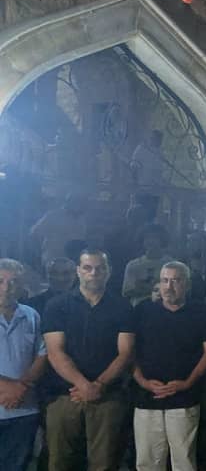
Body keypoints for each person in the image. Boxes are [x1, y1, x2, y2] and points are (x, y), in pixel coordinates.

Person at [42, 249, 135, 471]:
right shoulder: (57, 305)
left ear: (109, 272)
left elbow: (126, 353)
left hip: (108, 396)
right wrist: (84, 386)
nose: (94, 273)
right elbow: (55, 352)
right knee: (60, 462)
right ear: (78, 271)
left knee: (105, 463)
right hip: (65, 396)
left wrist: (99, 385)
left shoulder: (122, 306)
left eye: (100, 268)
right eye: (88, 268)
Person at [132, 261, 206, 471]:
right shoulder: (142, 311)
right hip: (147, 397)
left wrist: (187, 383)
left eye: (176, 280)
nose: (169, 286)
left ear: (187, 284)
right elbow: (129, 352)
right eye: (165, 280)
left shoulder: (202, 312)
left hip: (184, 398)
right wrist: (143, 382)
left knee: (184, 462)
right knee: (147, 462)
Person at [0, 259, 47, 470]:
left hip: (24, 409)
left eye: (13, 282)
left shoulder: (31, 315)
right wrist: (7, 387)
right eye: (1, 281)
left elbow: (42, 354)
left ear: (21, 285)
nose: (6, 287)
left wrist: (21, 387)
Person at [30, 193, 88, 267]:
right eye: (77, 201)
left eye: (82, 202)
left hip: (72, 262)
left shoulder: (82, 219)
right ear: (68, 202)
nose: (81, 205)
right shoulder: (53, 215)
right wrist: (37, 256)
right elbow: (34, 233)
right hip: (53, 260)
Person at [122, 224, 172, 306]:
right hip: (139, 309)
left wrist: (143, 287)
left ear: (162, 239)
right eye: (147, 237)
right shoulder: (133, 265)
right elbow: (127, 292)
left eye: (155, 237)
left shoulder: (172, 264)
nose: (150, 241)